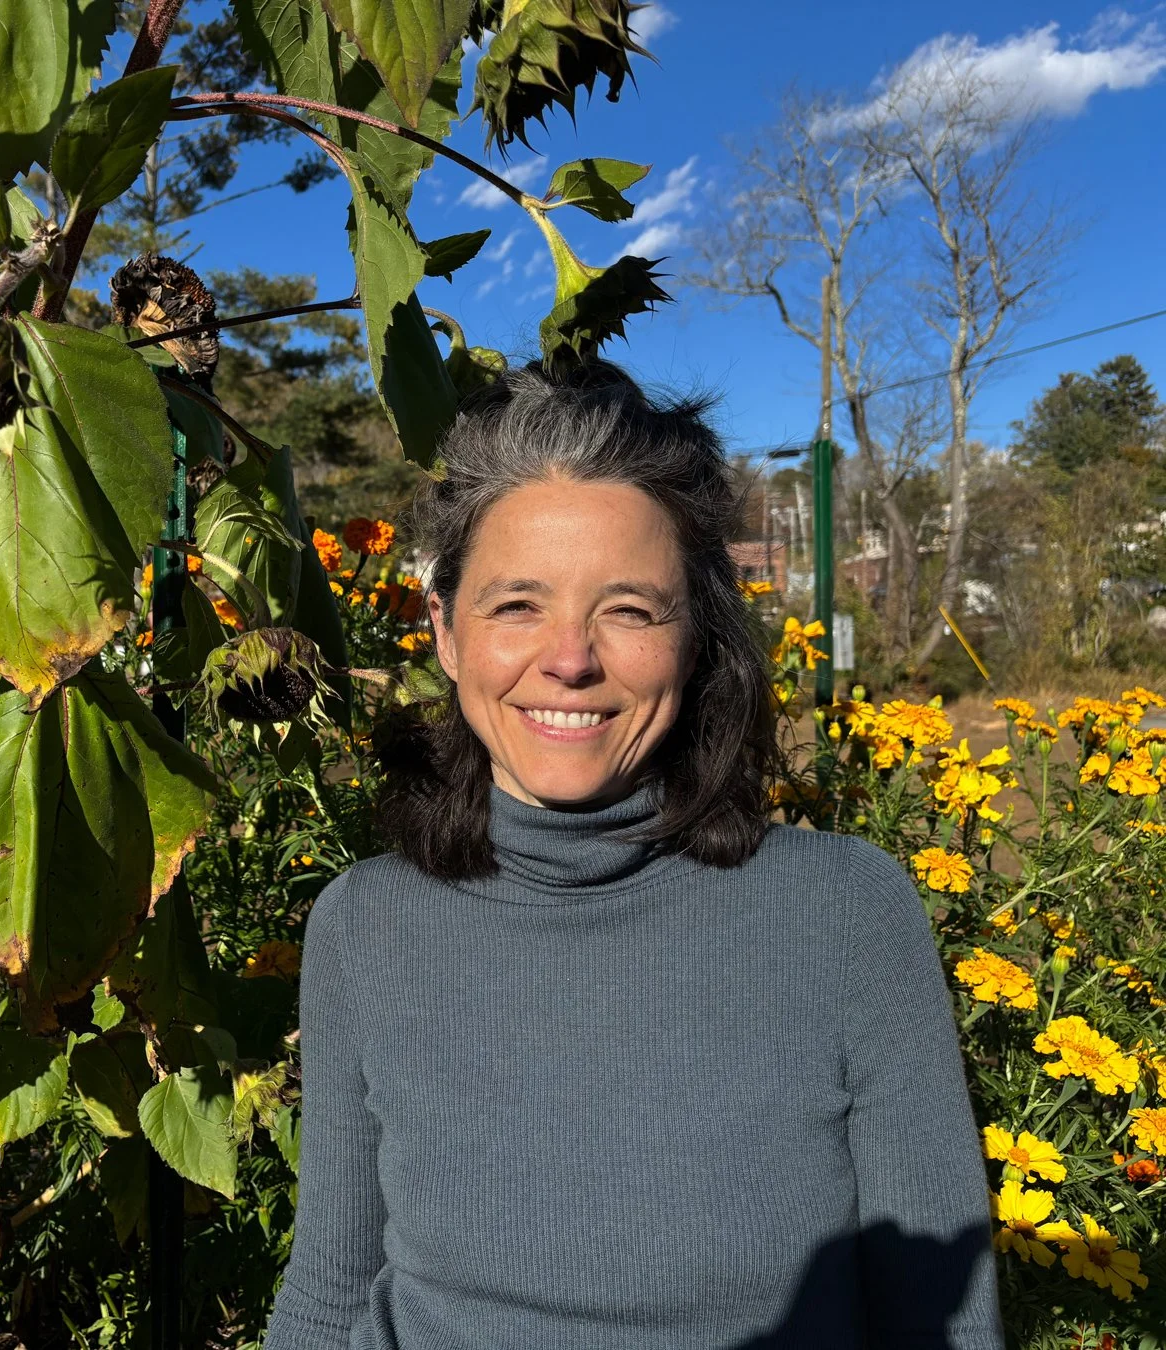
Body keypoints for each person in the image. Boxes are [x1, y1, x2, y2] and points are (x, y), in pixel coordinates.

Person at [262, 360, 1003, 1349]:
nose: (569, 657)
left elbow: (940, 1323)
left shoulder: (844, 915)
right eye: (516, 604)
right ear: (445, 633)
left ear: (696, 637)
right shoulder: (363, 924)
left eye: (629, 609)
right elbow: (330, 1292)